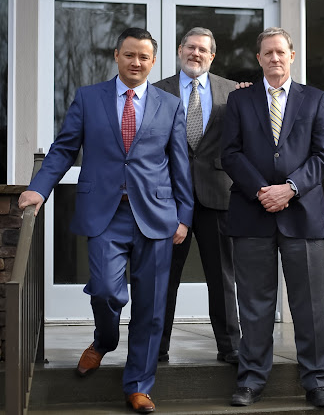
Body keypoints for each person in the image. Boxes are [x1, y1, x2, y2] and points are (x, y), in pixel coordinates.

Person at [18, 27, 193, 414]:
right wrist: (39, 188)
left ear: (153, 61)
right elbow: (64, 149)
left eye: (144, 57)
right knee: (104, 291)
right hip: (105, 214)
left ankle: (138, 386)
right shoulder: (89, 97)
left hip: (156, 215)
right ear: (116, 56)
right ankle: (104, 340)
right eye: (129, 55)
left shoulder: (169, 104)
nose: (136, 63)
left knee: (151, 306)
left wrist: (184, 216)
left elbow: (180, 165)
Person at [221, 27, 324, 409]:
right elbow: (230, 153)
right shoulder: (239, 100)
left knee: (309, 306)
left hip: (302, 216)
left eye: (280, 52)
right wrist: (261, 190)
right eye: (267, 53)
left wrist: (290, 188)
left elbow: (323, 156)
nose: (274, 58)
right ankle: (251, 380)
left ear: (292, 55)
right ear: (259, 58)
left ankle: (317, 381)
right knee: (255, 305)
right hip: (252, 214)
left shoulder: (315, 99)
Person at [154, 27, 241, 364]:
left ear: (212, 56)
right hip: (169, 199)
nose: (196, 53)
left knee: (222, 276)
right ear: (180, 50)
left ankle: (230, 347)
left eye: (203, 49)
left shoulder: (232, 91)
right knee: (164, 277)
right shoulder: (158, 90)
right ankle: (156, 348)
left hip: (216, 195)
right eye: (190, 47)